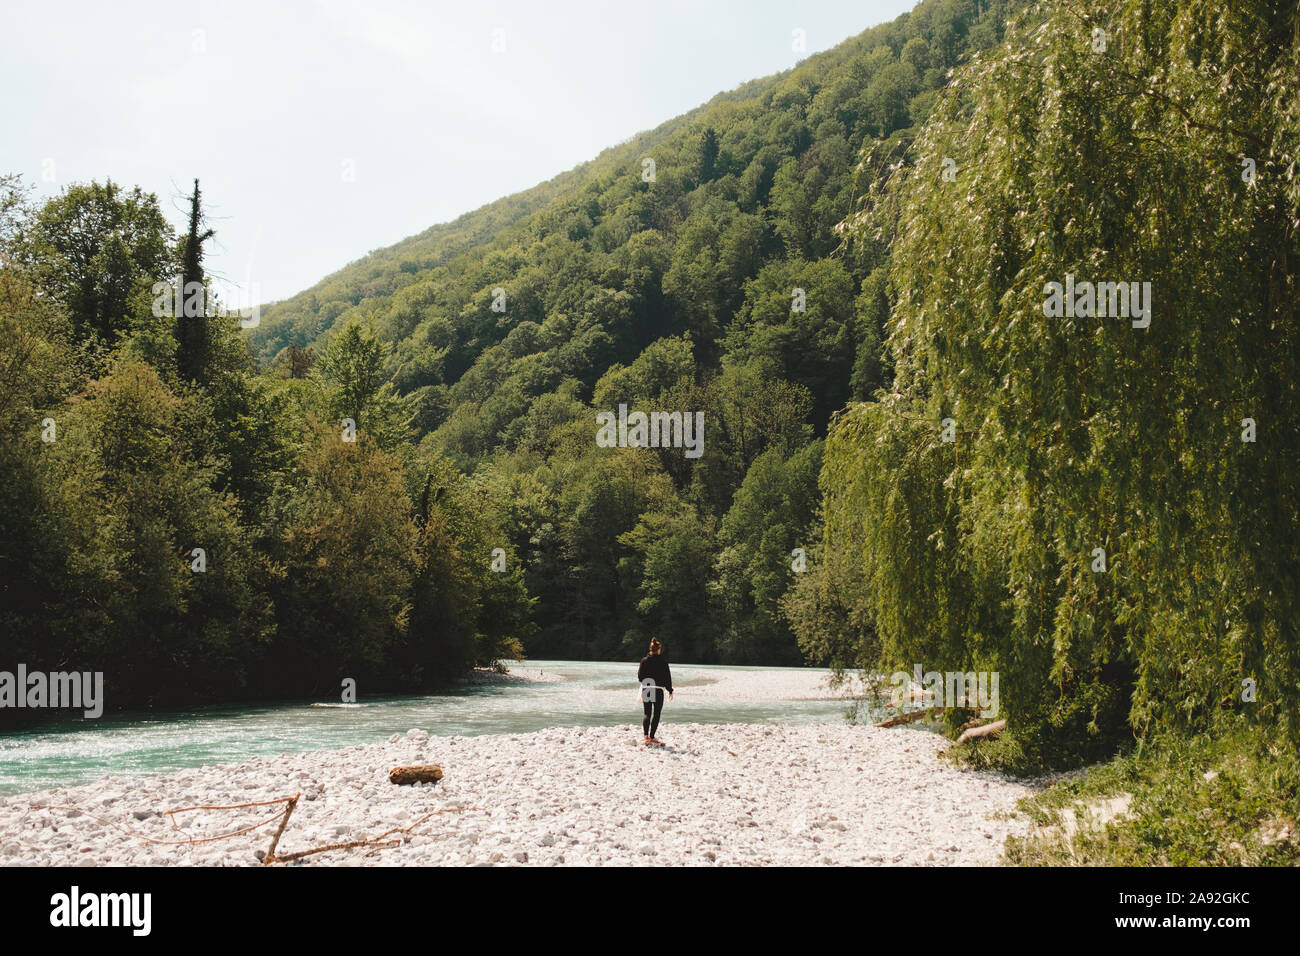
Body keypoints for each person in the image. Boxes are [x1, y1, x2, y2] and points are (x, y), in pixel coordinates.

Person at [637, 638, 674, 745]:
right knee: (656, 714)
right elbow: (667, 678)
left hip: (647, 688)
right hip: (658, 690)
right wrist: (670, 690)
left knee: (647, 713)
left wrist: (647, 682)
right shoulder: (663, 662)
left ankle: (645, 737)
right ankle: (652, 737)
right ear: (659, 649)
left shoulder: (644, 661)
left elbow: (640, 677)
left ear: (650, 648)